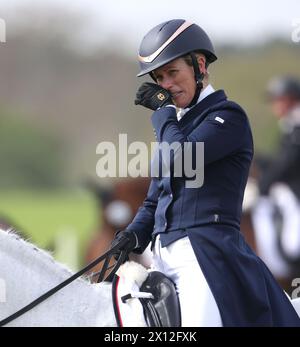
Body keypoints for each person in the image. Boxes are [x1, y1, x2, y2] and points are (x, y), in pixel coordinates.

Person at [112, 19, 300, 326]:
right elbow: (154, 200)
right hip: (161, 257)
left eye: (173, 73)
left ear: (199, 65)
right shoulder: (176, 129)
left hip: (202, 256)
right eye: (159, 78)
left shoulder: (227, 117)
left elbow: (182, 158)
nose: (166, 85)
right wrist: (132, 235)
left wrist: (163, 117)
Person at [252, 76, 300, 279]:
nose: (274, 106)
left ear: (289, 99)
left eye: (277, 100)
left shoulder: (297, 125)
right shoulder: (289, 125)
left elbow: (289, 162)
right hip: (288, 186)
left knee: (293, 241)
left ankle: (290, 262)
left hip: (295, 190)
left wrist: (265, 182)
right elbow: (281, 160)